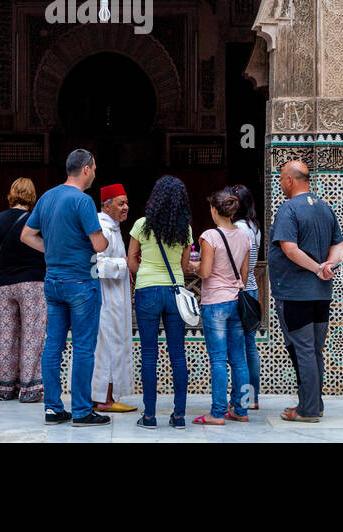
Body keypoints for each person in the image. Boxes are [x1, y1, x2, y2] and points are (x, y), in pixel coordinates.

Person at [20, 148, 111, 427]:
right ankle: (82, 411)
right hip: (81, 282)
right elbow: (98, 244)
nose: (94, 173)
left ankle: (53, 408)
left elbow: (26, 235)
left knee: (53, 345)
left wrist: (51, 250)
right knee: (83, 347)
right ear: (86, 169)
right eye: (94, 168)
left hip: (53, 281)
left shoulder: (47, 197)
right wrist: (104, 241)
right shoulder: (82, 201)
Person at [271, 160, 343, 423]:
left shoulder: (288, 209)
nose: (281, 184)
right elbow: (339, 244)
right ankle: (314, 404)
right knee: (313, 350)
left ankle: (308, 410)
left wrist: (317, 268)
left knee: (302, 350)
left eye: (282, 179)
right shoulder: (325, 208)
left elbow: (289, 248)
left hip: (295, 293)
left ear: (290, 180)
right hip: (321, 294)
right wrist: (328, 266)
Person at [126, 175, 194, 430]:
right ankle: (179, 416)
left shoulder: (142, 225)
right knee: (178, 355)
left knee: (149, 354)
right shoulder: (185, 229)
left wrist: (144, 273)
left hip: (147, 290)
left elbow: (131, 260)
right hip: (175, 291)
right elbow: (184, 266)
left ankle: (149, 416)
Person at [187, 189, 252, 425]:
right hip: (236, 300)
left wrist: (193, 266)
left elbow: (205, 272)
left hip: (215, 302)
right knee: (239, 359)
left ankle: (217, 413)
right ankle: (241, 410)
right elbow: (245, 272)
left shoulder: (209, 236)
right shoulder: (244, 236)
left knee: (217, 360)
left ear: (215, 210)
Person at [0, 177, 47, 402]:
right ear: (32, 196)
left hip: (3, 283)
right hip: (33, 283)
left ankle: (4, 388)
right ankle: (29, 389)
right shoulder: (36, 220)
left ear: (12, 194)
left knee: (5, 336)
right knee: (32, 335)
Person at [92, 184, 134, 413]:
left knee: (111, 347)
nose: (126, 207)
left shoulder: (113, 228)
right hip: (106, 301)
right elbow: (95, 265)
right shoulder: (103, 230)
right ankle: (104, 400)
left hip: (115, 298)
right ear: (107, 206)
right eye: (121, 203)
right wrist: (124, 263)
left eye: (126, 203)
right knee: (107, 349)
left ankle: (103, 397)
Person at [229, 184, 262, 410]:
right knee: (250, 346)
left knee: (239, 349)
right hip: (252, 290)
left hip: (240, 291)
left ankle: (242, 399)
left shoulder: (239, 229)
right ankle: (252, 397)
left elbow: (237, 264)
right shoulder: (254, 226)